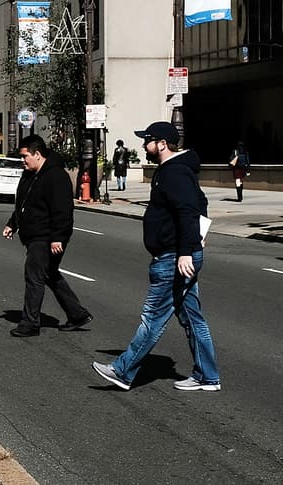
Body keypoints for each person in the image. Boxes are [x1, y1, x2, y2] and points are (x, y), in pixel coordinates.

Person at [93, 121, 220, 392]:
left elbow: (189, 209)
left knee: (153, 316)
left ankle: (123, 371)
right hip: (177, 253)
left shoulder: (175, 172)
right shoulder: (174, 170)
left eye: (147, 140)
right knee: (192, 318)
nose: (143, 145)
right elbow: (201, 202)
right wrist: (199, 235)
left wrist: (187, 250)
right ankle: (208, 376)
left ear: (161, 143)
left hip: (174, 256)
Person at [2, 134, 92, 337]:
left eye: (25, 156)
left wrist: (58, 238)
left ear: (38, 154)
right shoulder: (29, 175)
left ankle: (30, 323)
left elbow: (63, 211)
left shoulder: (56, 176)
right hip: (34, 234)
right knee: (49, 274)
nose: (22, 160)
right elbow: (24, 203)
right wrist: (13, 223)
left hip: (45, 236)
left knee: (34, 276)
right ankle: (77, 314)